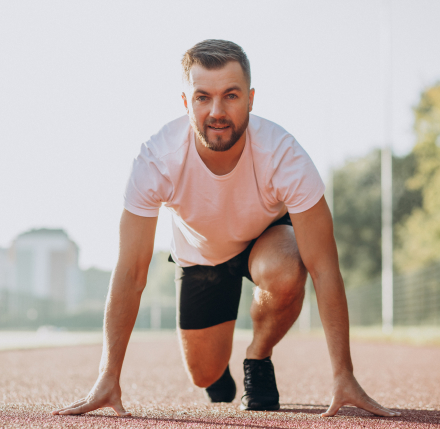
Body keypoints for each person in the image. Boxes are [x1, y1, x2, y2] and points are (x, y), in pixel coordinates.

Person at [52, 39, 399, 418]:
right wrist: (108, 375)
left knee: (288, 267)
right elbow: (131, 272)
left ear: (250, 99)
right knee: (204, 375)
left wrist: (343, 374)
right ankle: (219, 369)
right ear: (186, 103)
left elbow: (325, 267)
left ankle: (258, 355)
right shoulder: (156, 161)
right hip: (200, 256)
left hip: (264, 239)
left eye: (230, 95)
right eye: (203, 97)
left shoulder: (285, 156)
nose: (217, 111)